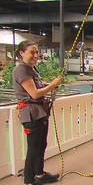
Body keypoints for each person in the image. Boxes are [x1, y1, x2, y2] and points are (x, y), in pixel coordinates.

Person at [12, 41, 62, 185]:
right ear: (21, 53)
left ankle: (39, 174)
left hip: (39, 112)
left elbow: (38, 87)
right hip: (31, 113)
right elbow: (34, 93)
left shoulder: (31, 69)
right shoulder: (22, 70)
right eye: (32, 52)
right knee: (33, 148)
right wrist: (52, 85)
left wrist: (51, 86)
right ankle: (29, 180)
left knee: (41, 145)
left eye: (36, 52)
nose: (36, 55)